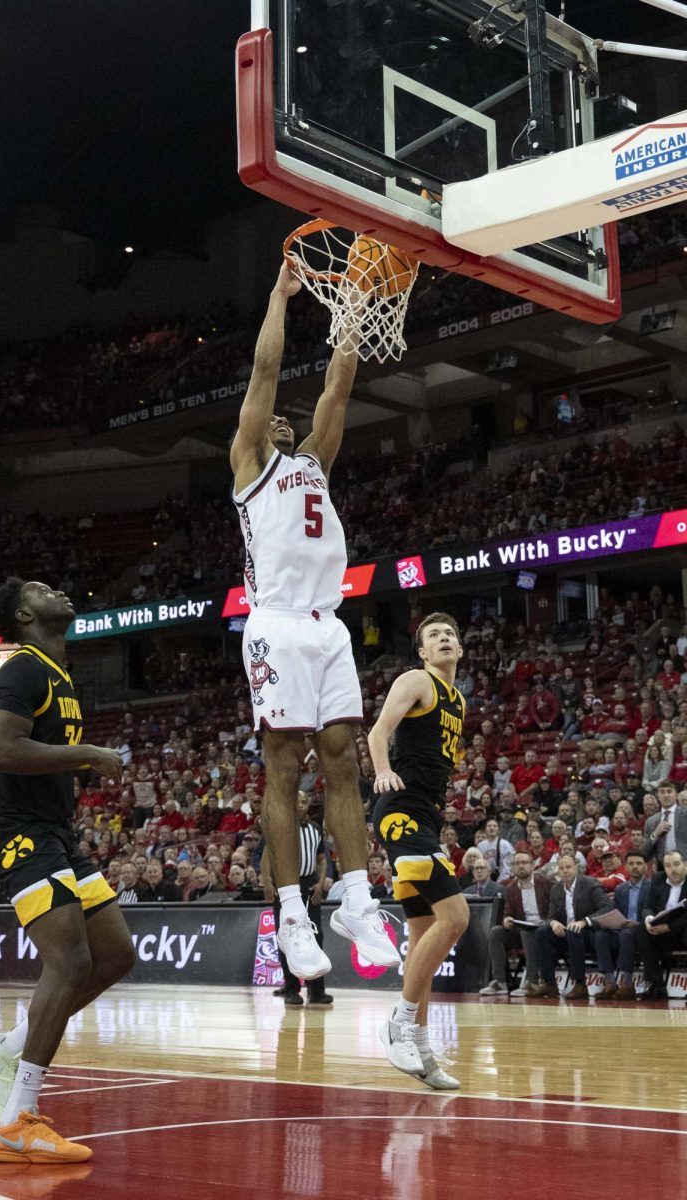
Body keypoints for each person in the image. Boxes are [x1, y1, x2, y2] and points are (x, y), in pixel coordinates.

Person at [229, 259, 398, 981]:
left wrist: (353, 305)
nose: (279, 414)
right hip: (275, 626)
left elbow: (338, 383)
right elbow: (266, 367)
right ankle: (292, 914)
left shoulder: (316, 466)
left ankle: (357, 900)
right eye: (267, 415)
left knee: (342, 765)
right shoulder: (248, 465)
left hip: (329, 626)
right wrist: (279, 298)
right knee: (283, 770)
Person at [0, 577, 135, 1164]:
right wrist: (88, 754)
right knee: (70, 961)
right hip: (20, 837)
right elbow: (1, 752)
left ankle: (9, 1045)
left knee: (116, 954)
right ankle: (14, 1121)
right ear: (24, 613)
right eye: (43, 589)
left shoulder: (61, 676)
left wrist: (80, 771)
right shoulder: (23, 668)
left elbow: (39, 756)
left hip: (58, 835)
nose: (61, 591)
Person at [368, 611, 471, 1089]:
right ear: (423, 652)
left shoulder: (459, 700)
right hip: (401, 806)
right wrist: (383, 769)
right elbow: (377, 731)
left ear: (460, 648)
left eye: (451, 633)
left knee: (425, 929)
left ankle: (424, 1053)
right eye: (435, 636)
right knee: (456, 917)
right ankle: (399, 1022)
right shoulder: (416, 680)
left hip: (427, 812)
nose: (445, 639)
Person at [263, 791, 332, 1007]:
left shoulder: (315, 828)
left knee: (316, 936)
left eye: (304, 802)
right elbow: (266, 856)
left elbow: (322, 859)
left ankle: (316, 990)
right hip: (286, 886)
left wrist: (321, 882)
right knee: (287, 937)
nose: (302, 805)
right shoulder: (280, 826)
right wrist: (267, 882)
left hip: (310, 885)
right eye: (298, 802)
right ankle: (292, 988)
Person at [528, 853, 613, 1000]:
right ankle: (549, 983)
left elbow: (607, 907)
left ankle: (580, 984)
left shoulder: (590, 883)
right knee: (542, 932)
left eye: (568, 867)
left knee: (574, 931)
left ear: (576, 868)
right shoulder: (556, 889)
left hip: (588, 933)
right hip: (565, 933)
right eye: (561, 868)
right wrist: (554, 923)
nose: (565, 871)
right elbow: (550, 917)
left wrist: (584, 921)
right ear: (557, 871)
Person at [480, 850, 553, 996]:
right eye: (516, 863)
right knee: (496, 932)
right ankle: (500, 982)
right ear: (512, 868)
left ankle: (531, 982)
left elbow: (555, 908)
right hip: (523, 928)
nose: (521, 866)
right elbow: (508, 912)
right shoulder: (511, 888)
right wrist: (506, 919)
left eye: (524, 862)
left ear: (532, 866)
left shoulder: (546, 883)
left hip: (545, 929)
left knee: (528, 932)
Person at [590, 849, 650, 1000]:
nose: (635, 866)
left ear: (645, 867)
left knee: (626, 934)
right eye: (631, 863)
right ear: (626, 867)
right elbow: (615, 911)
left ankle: (628, 984)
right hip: (622, 929)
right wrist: (609, 921)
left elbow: (654, 911)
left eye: (639, 863)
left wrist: (637, 924)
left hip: (644, 932)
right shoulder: (620, 889)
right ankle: (610, 982)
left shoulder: (652, 887)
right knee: (600, 935)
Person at [633, 849, 687, 999]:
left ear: (685, 865)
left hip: (681, 930)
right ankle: (656, 985)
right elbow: (646, 906)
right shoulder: (658, 879)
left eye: (676, 864)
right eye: (668, 866)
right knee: (640, 930)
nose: (672, 869)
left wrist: (669, 927)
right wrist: (649, 919)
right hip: (661, 931)